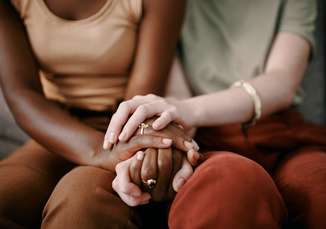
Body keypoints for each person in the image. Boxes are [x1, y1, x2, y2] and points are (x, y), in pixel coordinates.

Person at [106, 0, 326, 228]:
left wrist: (188, 110)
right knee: (227, 185)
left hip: (284, 136)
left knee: (319, 186)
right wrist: (158, 155)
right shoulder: (167, 4)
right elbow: (175, 107)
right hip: (207, 141)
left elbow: (282, 83)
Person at [0, 0, 200, 228]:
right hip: (54, 127)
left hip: (124, 127)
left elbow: (142, 97)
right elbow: (22, 94)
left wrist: (126, 148)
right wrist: (97, 152)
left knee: (80, 209)